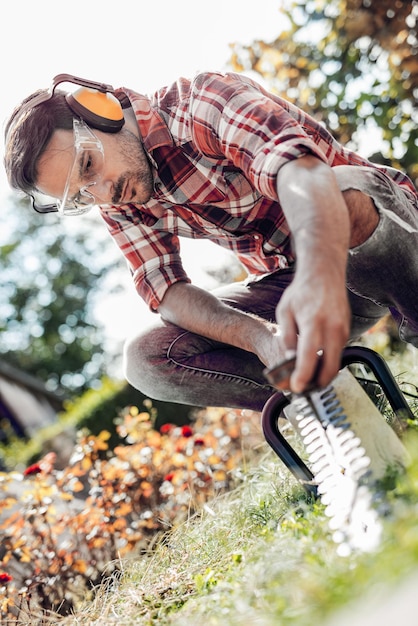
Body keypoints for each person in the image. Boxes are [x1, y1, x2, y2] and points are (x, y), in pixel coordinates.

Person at [4, 71, 418, 412]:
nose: (103, 193)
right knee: (147, 358)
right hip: (296, 288)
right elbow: (168, 291)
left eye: (89, 164)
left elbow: (299, 171)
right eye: (82, 195)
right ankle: (348, 407)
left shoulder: (200, 104)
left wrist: (318, 272)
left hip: (381, 236)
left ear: (102, 110)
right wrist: (262, 338)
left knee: (342, 191)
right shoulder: (119, 199)